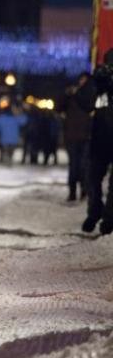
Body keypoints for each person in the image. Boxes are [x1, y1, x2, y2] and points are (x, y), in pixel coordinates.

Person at [76, 48, 113, 235]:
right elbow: (84, 102)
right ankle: (95, 211)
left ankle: (109, 219)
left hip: (104, 136)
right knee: (92, 178)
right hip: (100, 138)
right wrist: (96, 82)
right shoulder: (100, 82)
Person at [59, 73, 92, 201]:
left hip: (85, 136)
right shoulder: (71, 96)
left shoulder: (89, 95)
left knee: (83, 165)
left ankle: (83, 189)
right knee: (74, 165)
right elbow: (59, 107)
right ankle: (73, 191)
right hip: (72, 135)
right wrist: (67, 94)